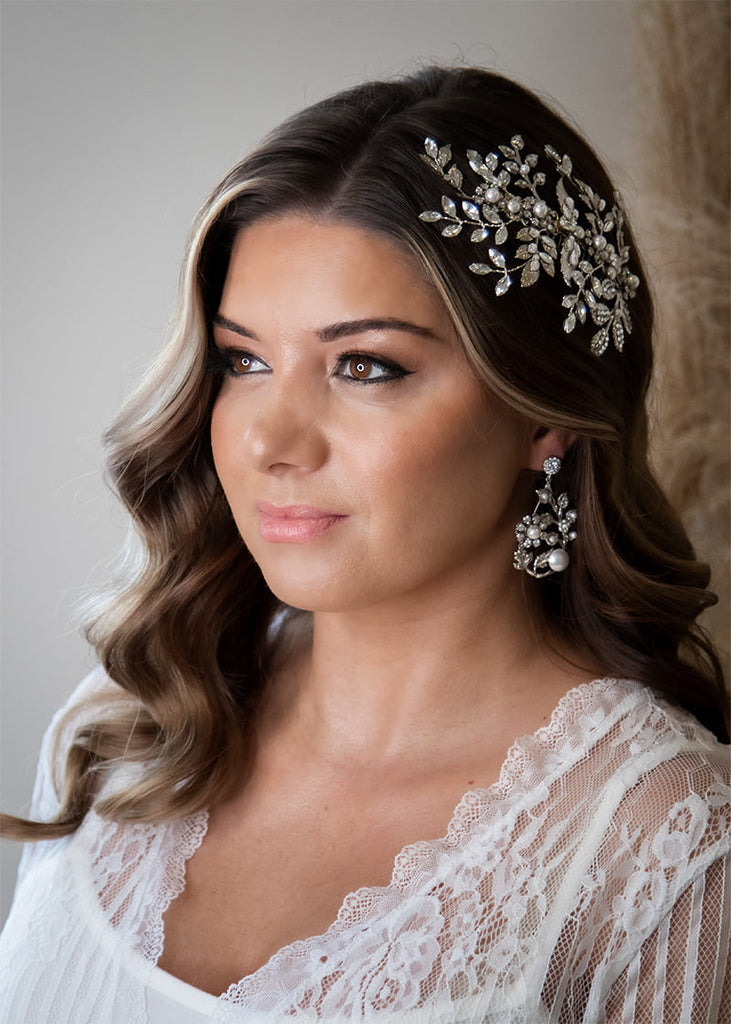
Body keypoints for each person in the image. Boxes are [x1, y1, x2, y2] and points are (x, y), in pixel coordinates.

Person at [1, 66, 729, 1023]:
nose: (269, 442)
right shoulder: (128, 724)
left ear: (544, 414)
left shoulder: (660, 848)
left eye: (364, 366)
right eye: (244, 360)